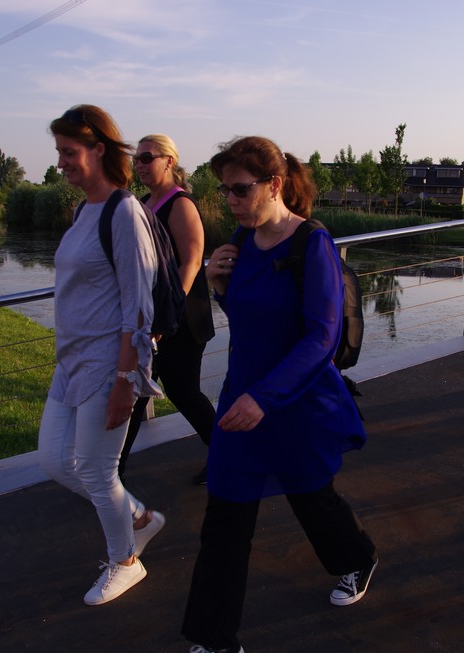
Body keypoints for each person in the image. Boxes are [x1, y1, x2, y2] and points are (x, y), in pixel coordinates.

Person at [181, 136, 377, 653]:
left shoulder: (311, 243)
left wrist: (265, 398)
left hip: (295, 403)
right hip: (242, 400)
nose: (231, 201)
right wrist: (219, 287)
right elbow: (254, 320)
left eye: (240, 189)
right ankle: (215, 640)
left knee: (312, 498)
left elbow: (322, 337)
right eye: (225, 191)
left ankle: (358, 559)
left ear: (274, 184)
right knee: (225, 520)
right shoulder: (241, 241)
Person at [37, 105, 165, 606]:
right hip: (69, 361)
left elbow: (138, 307)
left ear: (98, 150)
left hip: (107, 365)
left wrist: (124, 382)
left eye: (69, 152)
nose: (61, 162)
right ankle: (140, 519)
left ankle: (126, 561)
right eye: (59, 152)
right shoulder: (82, 211)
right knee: (55, 461)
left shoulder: (123, 212)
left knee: (95, 470)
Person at [120, 134, 216, 485]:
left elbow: (191, 262)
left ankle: (226, 455)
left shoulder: (180, 204)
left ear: (169, 161)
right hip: (151, 318)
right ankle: (112, 471)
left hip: (180, 320)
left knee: (184, 392)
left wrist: (168, 314)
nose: (139, 164)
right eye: (137, 159)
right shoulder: (144, 202)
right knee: (133, 394)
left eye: (147, 157)